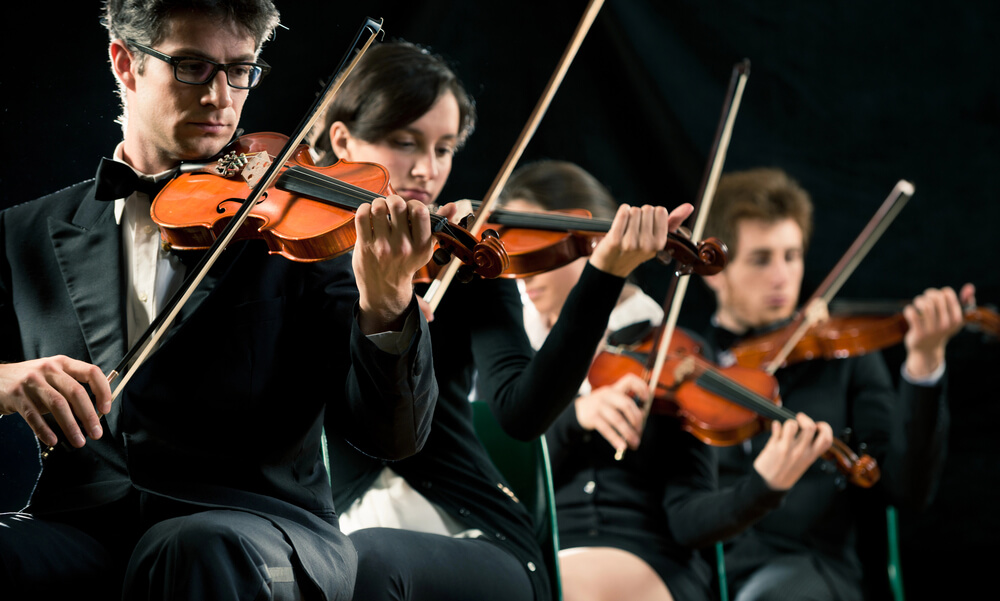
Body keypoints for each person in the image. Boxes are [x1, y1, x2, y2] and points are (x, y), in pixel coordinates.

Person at [0, 2, 439, 599]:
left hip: (257, 527)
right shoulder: (23, 232)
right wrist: (6, 381)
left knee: (190, 548)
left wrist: (386, 305)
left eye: (241, 70)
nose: (220, 97)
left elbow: (392, 436)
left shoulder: (298, 220)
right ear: (125, 63)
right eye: (191, 67)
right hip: (84, 525)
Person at [309, 41, 693, 601]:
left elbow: (522, 410)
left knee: (368, 564)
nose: (427, 170)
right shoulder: (298, 263)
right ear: (342, 140)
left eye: (444, 148)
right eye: (404, 142)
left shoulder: (468, 265)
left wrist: (605, 274)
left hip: (472, 534)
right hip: (333, 521)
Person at [502, 159, 837, 601]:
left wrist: (762, 488)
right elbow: (497, 479)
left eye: (540, 247)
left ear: (594, 245)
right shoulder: (512, 357)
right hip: (540, 552)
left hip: (646, 559)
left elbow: (686, 518)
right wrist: (576, 416)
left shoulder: (673, 353)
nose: (523, 265)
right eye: (514, 246)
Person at [699, 167, 973, 601]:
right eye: (761, 259)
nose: (782, 277)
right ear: (713, 269)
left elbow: (905, 488)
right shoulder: (688, 361)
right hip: (700, 574)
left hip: (808, 570)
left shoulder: (845, 361)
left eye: (792, 256)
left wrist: (924, 363)